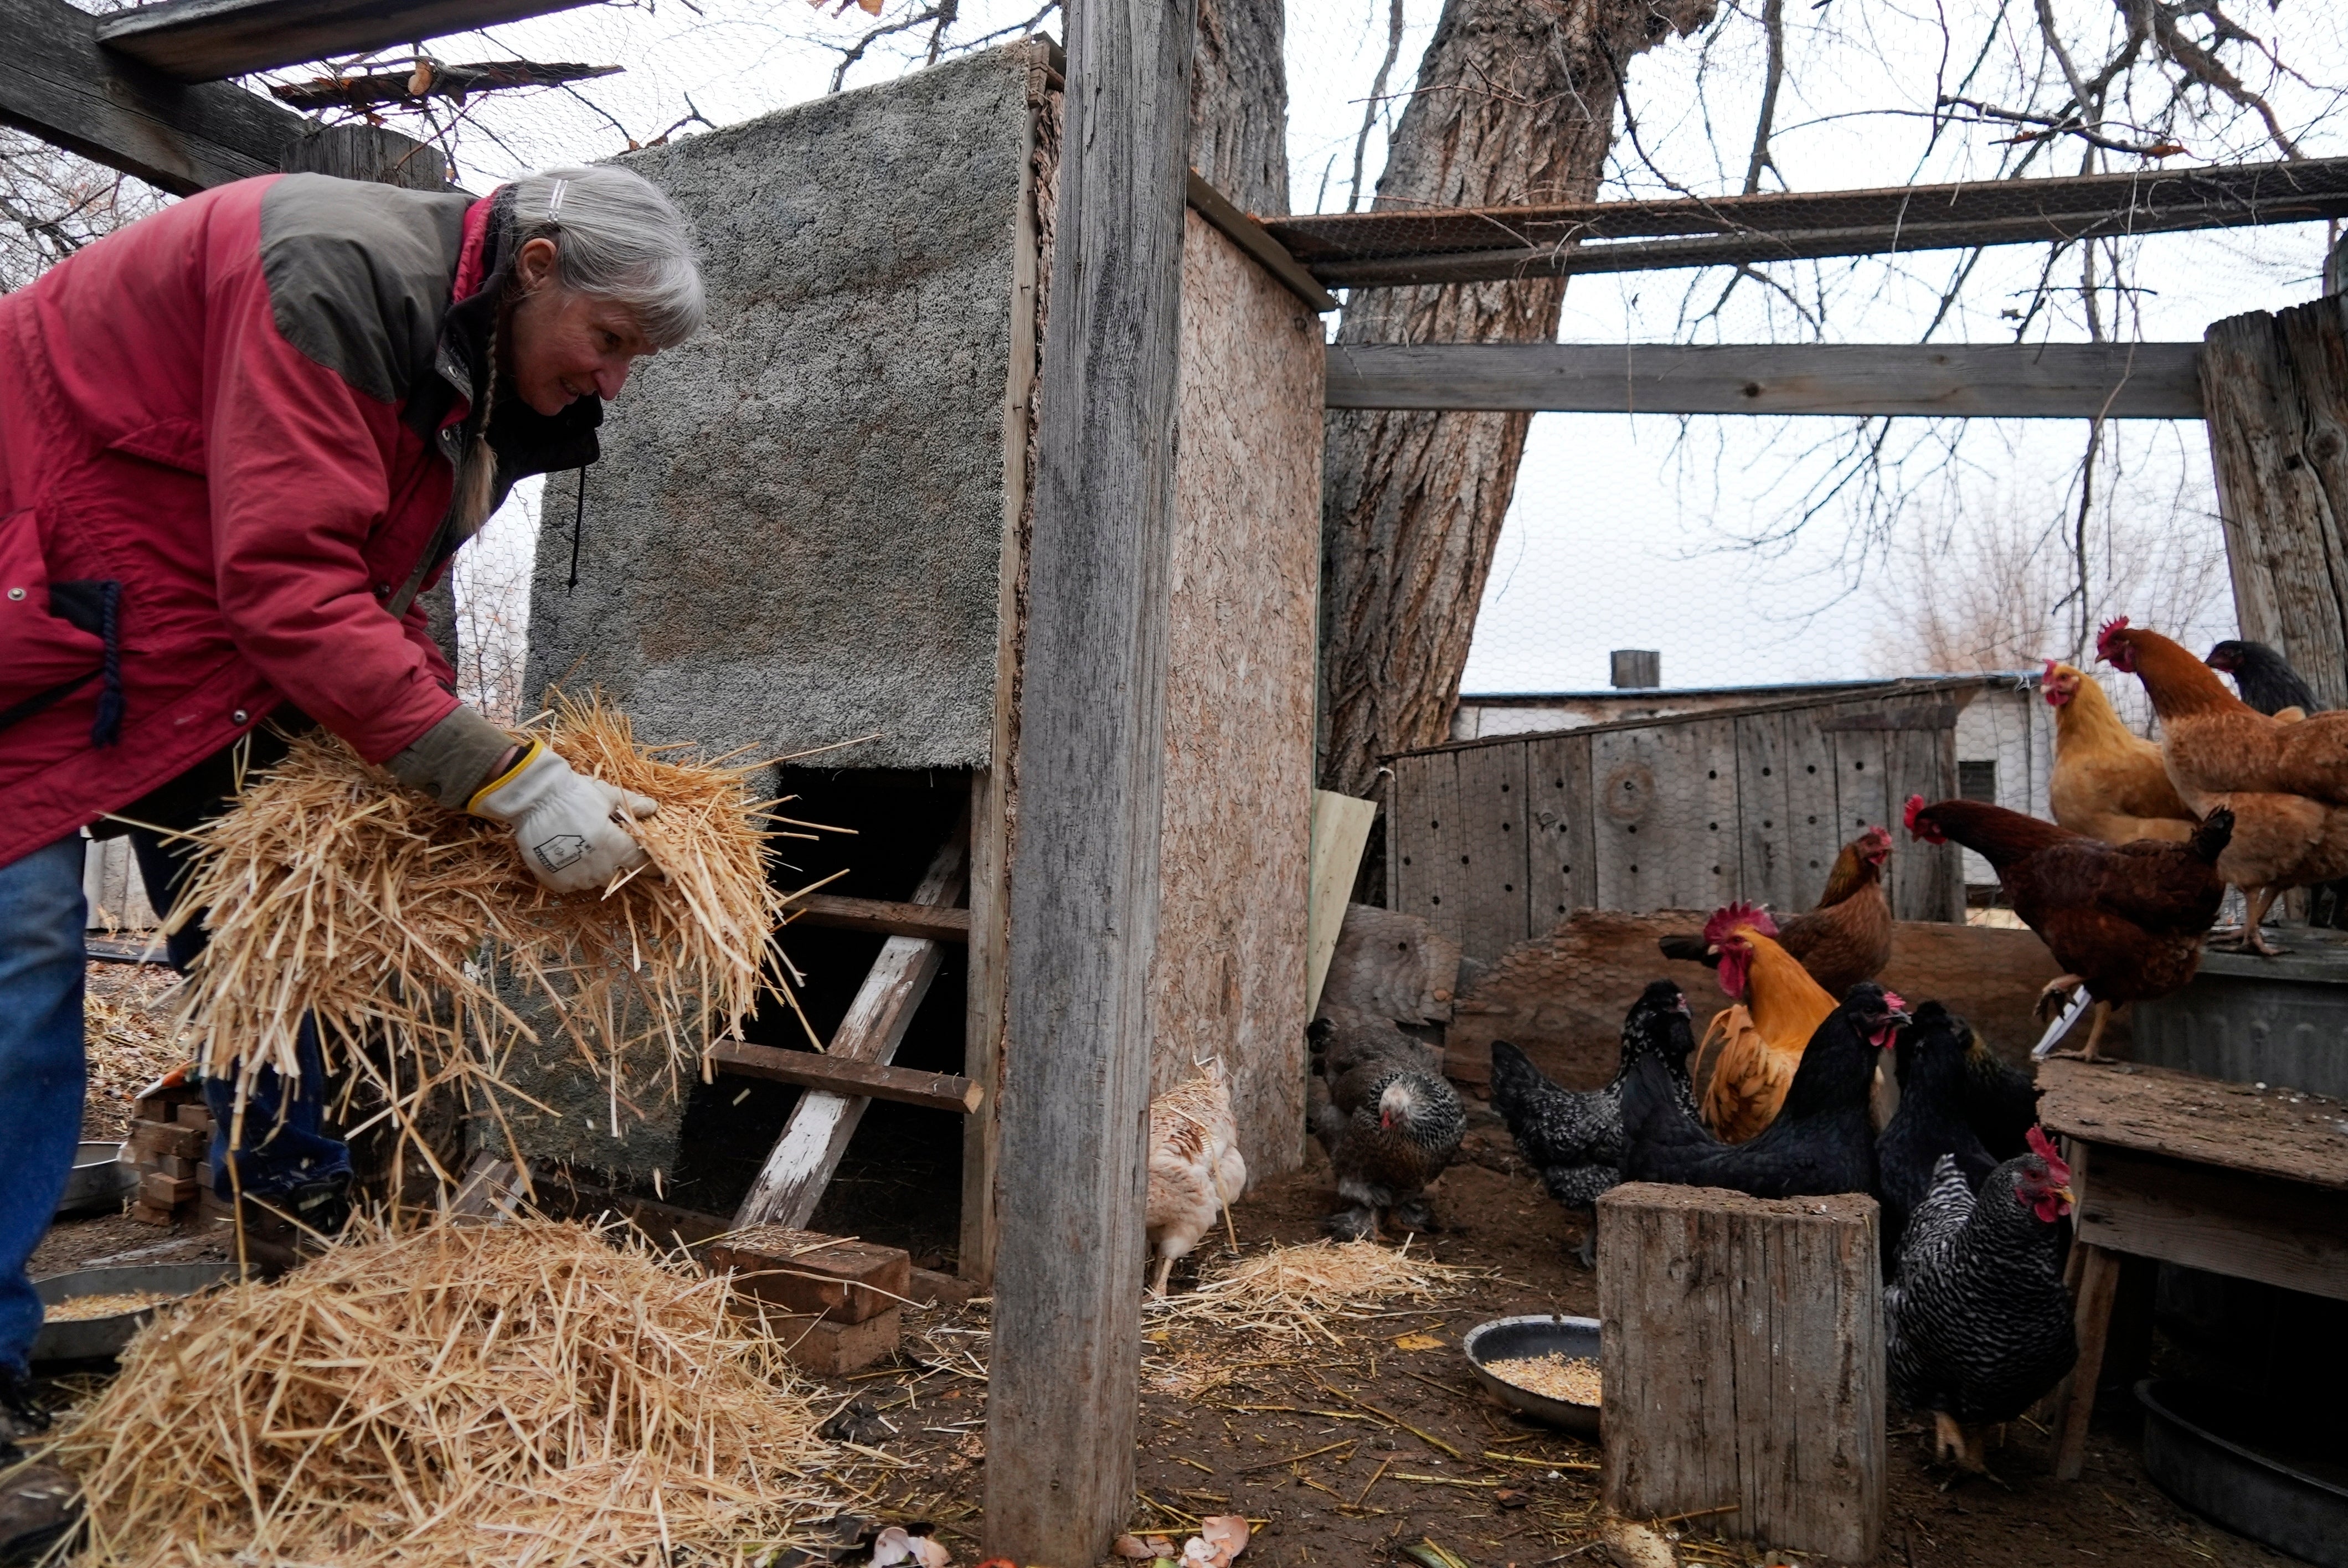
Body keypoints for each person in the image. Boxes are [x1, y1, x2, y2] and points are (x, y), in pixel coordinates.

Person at [0, 161, 702, 1544]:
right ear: (537, 265)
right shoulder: (330, 267)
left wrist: (461, 749)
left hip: (178, 626)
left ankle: (296, 1260)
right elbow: (287, 583)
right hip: (35, 587)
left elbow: (383, 591)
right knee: (19, 962)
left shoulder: (477, 375)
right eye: (611, 339)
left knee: (280, 930)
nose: (614, 382)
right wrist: (504, 778)